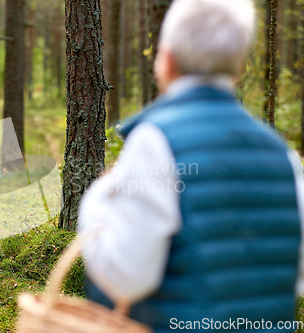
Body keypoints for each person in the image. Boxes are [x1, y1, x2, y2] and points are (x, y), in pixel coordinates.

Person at [78, 0, 304, 331]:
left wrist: (98, 198)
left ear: (166, 62)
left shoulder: (155, 141)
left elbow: (127, 278)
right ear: (239, 68)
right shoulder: (281, 153)